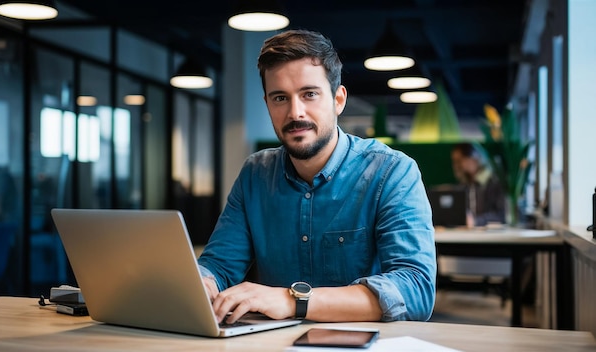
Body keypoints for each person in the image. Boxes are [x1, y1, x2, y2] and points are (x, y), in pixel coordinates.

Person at [197, 30, 436, 324]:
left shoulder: (392, 172)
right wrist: (202, 285)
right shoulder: (255, 175)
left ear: (338, 100)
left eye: (309, 94)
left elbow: (415, 290)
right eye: (280, 98)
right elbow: (219, 266)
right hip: (276, 344)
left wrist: (292, 300)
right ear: (268, 104)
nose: (295, 112)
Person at [450, 142, 505, 227]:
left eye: (459, 161)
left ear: (474, 158)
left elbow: (501, 215)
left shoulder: (493, 183)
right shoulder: (464, 185)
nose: (456, 165)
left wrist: (477, 221)